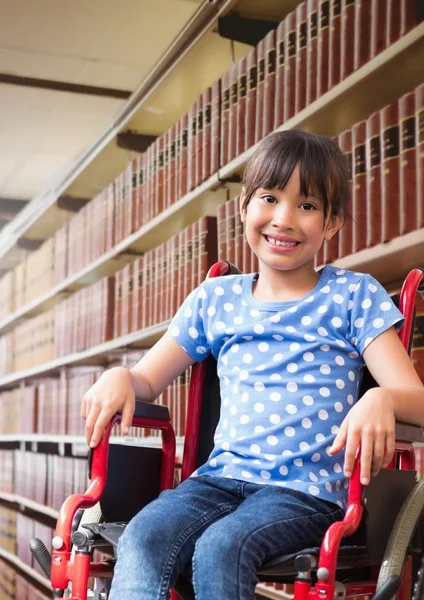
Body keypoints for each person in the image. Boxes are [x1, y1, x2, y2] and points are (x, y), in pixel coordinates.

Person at [82, 130, 424, 600]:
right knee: (144, 536)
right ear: (244, 207)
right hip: (218, 480)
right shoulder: (215, 299)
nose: (283, 219)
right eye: (269, 198)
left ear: (332, 223)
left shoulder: (352, 295)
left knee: (222, 546)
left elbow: (418, 401)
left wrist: (381, 396)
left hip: (307, 492)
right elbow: (146, 378)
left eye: (306, 206)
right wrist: (120, 376)